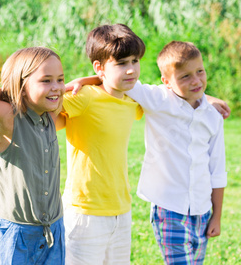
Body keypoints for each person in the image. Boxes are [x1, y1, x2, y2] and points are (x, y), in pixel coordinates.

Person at [124, 41, 226, 265]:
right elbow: (122, 81)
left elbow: (217, 170)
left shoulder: (213, 117)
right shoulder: (159, 100)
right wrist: (86, 80)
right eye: (185, 77)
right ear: (166, 82)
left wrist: (216, 216)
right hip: (168, 209)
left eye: (199, 71)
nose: (196, 80)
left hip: (202, 211)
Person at [0, 47, 67, 264]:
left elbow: (96, 83)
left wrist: (0, 90)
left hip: (53, 231)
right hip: (14, 238)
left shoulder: (50, 112)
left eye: (60, 79)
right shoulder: (7, 116)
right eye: (46, 80)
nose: (57, 88)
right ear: (21, 87)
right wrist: (0, 92)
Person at [56, 24, 145, 265]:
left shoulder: (133, 100)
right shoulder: (83, 97)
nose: (131, 70)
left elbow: (172, 96)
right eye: (121, 63)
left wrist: (207, 99)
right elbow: (40, 103)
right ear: (99, 67)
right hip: (85, 212)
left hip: (121, 210)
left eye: (135, 61)